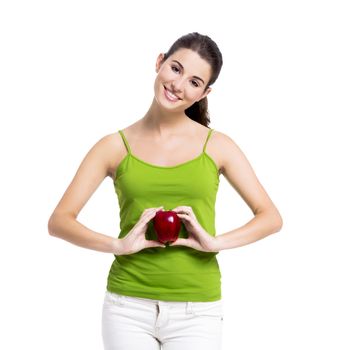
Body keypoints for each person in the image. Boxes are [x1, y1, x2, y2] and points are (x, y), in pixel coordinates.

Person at [48, 32, 283, 350]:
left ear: (204, 93)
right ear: (159, 62)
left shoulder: (219, 147)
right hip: (127, 307)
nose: (179, 84)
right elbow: (60, 220)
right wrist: (119, 244)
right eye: (176, 69)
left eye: (195, 82)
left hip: (197, 310)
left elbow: (270, 217)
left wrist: (215, 242)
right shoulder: (113, 147)